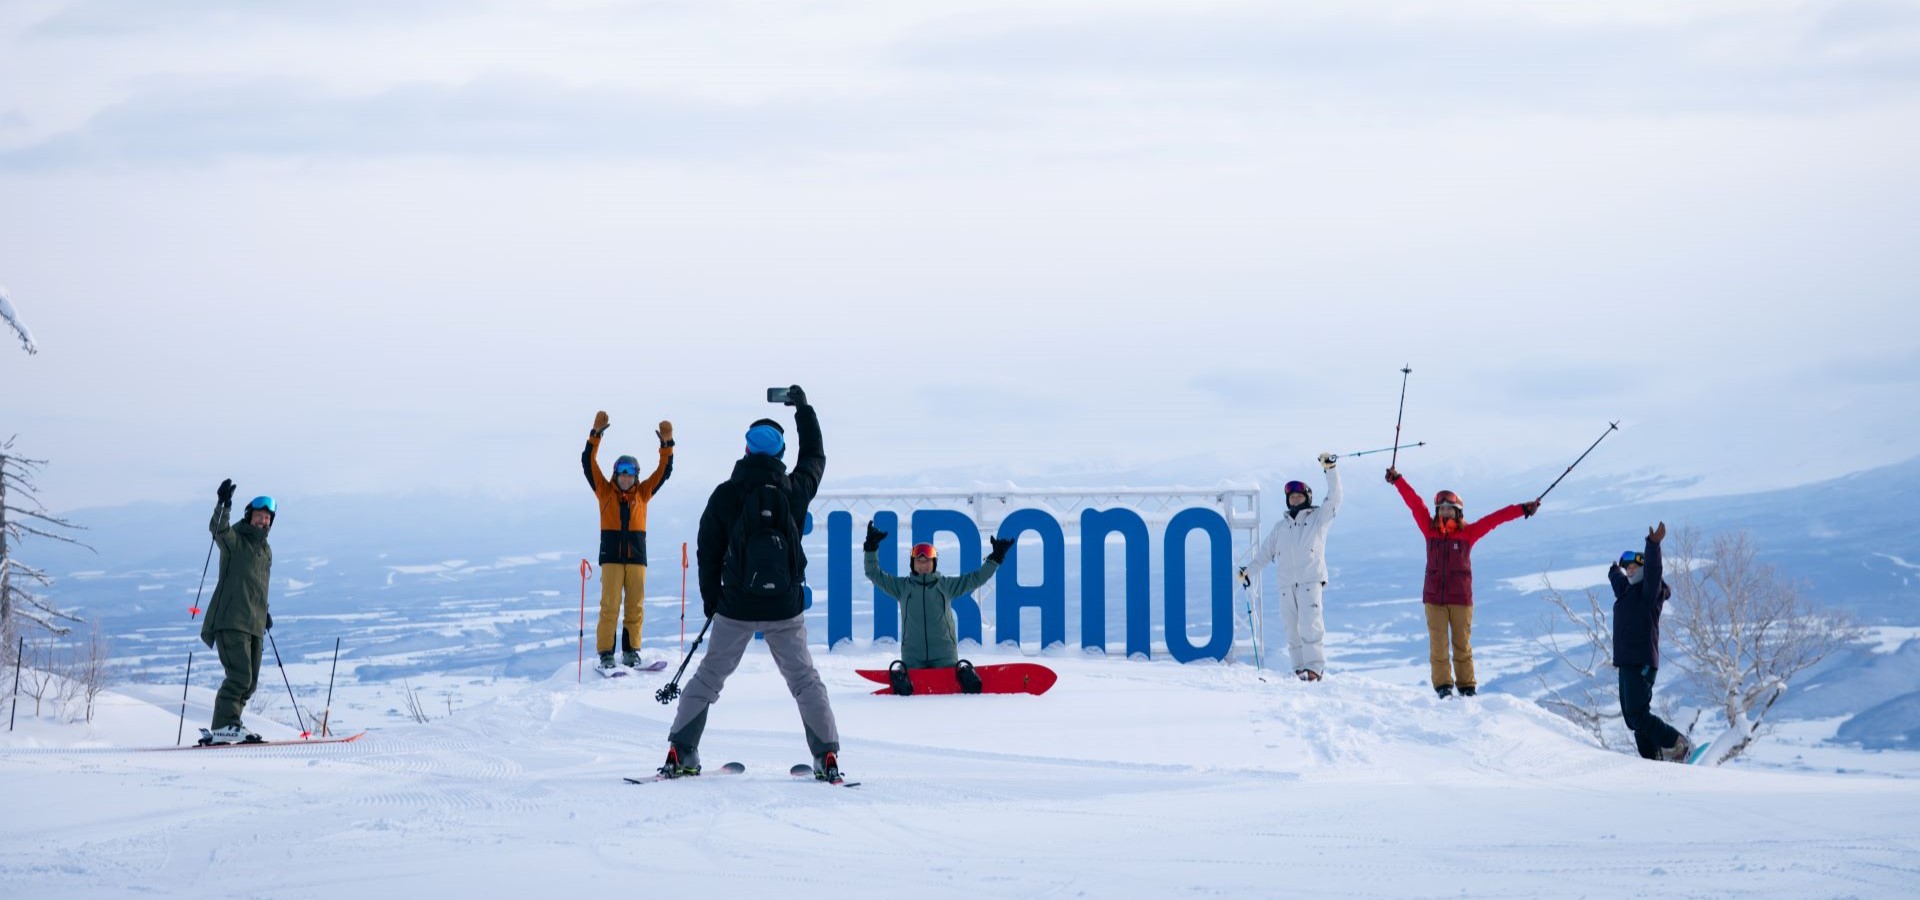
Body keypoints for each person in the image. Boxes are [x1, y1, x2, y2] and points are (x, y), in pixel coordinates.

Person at [663, 385, 844, 781]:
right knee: (804, 680)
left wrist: (715, 601)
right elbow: (815, 457)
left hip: (736, 606)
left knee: (709, 677)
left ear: (745, 452)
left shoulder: (726, 495)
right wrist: (804, 410)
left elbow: (707, 551)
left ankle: (682, 749)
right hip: (785, 608)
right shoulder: (794, 491)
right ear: (780, 453)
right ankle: (825, 756)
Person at [1387, 467, 1539, 698]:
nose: (1445, 512)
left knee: (1462, 645)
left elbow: (1496, 518)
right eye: (1442, 509)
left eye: (1449, 509)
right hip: (1434, 599)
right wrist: (1398, 480)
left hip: (1461, 600)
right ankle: (1443, 687)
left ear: (1458, 512)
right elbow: (1415, 503)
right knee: (1438, 645)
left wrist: (1522, 509)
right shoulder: (1430, 531)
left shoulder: (1468, 533)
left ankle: (1467, 687)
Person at [863, 523, 1015, 695]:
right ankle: (901, 676)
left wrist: (995, 558)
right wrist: (871, 548)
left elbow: (976, 578)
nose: (923, 565)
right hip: (913, 655)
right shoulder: (902, 587)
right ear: (913, 564)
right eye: (918, 561)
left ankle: (964, 673)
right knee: (905, 692)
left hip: (944, 653)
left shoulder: (946, 585)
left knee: (960, 687)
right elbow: (873, 573)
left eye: (927, 561)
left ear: (933, 563)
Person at [583, 410, 674, 669]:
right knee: (610, 607)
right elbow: (588, 462)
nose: (625, 476)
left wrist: (666, 445)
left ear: (636, 475)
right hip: (611, 559)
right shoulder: (604, 491)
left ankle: (631, 651)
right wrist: (595, 435)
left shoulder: (643, 493)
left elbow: (663, 472)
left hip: (637, 559)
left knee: (635, 607)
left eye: (630, 471)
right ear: (615, 474)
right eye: (622, 471)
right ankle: (606, 653)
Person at [1238, 453, 1342, 681]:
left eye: (1299, 496)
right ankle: (1299, 669)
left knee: (1310, 626)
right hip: (1286, 585)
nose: (1295, 500)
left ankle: (1314, 668)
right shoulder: (1280, 528)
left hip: (1309, 582)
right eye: (1291, 498)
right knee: (1292, 630)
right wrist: (1247, 572)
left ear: (1307, 498)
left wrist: (1330, 470)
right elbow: (1264, 555)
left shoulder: (1318, 519)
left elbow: (1334, 499)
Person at [197, 480, 276, 744]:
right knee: (240, 676)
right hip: (231, 620)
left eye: (267, 518)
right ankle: (224, 725)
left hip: (254, 623)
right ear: (249, 517)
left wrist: (264, 613)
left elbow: (256, 586)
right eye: (258, 516)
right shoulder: (236, 541)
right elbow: (218, 529)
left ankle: (230, 724)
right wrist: (223, 504)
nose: (262, 521)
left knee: (250, 682)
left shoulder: (265, 550)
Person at [1611, 521, 1690, 762]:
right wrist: (1614, 570)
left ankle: (1678, 743)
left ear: (1645, 570)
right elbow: (1619, 581)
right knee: (1632, 719)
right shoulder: (1628, 593)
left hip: (1641, 662)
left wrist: (1653, 545)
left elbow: (1654, 570)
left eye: (1634, 567)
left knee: (1638, 714)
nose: (1630, 571)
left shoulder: (1649, 594)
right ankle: (1651, 761)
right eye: (1628, 569)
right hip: (1626, 663)